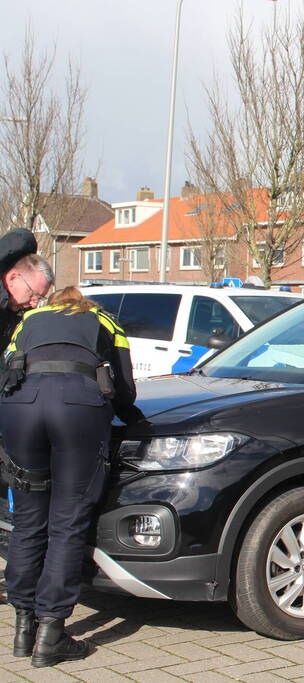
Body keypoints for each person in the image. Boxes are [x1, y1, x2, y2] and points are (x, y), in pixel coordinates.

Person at [1, 286, 138, 667]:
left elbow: (6, 366)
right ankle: (51, 634)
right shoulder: (104, 320)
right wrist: (133, 420)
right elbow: (124, 385)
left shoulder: (28, 320)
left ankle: (22, 627)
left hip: (21, 408)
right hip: (76, 407)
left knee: (28, 521)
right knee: (67, 521)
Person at [0, 229, 52, 349]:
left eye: (40, 298)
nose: (34, 304)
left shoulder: (15, 315)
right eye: (33, 294)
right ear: (12, 278)